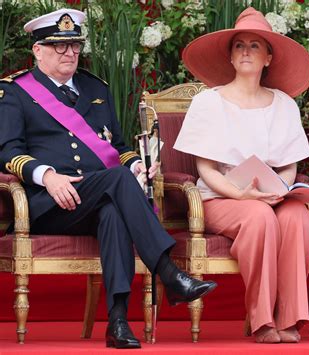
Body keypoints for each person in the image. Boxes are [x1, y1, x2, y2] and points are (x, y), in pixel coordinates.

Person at [0, 9, 216, 349]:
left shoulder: (95, 88)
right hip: (48, 203)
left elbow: (115, 147)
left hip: (99, 195)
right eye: (59, 47)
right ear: (37, 50)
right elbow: (8, 152)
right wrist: (47, 177)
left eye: (74, 45)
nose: (69, 53)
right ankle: (168, 273)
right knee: (115, 183)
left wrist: (136, 168)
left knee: (113, 211)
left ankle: (117, 322)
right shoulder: (14, 92)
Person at [174, 7, 309, 343]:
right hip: (220, 196)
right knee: (258, 216)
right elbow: (205, 169)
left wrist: (280, 189)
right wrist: (242, 195)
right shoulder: (208, 102)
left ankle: (290, 317)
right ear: (230, 56)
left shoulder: (283, 103)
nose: (247, 51)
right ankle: (262, 319)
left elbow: (289, 164)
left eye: (255, 45)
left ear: (268, 57)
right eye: (240, 45)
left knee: (299, 217)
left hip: (270, 195)